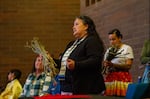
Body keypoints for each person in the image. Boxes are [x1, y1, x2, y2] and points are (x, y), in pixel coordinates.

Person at [58, 15, 106, 95]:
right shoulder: (72, 44)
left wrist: (76, 65)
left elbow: (95, 61)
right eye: (73, 25)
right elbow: (64, 63)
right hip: (67, 87)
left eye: (76, 24)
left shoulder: (92, 41)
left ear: (86, 26)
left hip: (86, 88)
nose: (73, 27)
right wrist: (50, 61)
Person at [103, 29, 134, 96]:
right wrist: (105, 66)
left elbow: (128, 66)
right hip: (111, 78)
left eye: (113, 39)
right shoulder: (109, 51)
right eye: (110, 40)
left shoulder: (126, 48)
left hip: (122, 78)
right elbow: (105, 64)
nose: (111, 42)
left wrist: (113, 65)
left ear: (119, 38)